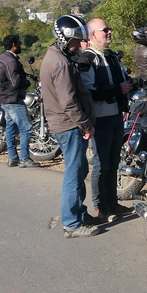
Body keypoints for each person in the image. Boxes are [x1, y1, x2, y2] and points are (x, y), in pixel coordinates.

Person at [43, 14, 100, 239]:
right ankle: (71, 223)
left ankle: (78, 213)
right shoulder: (61, 63)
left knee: (79, 170)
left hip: (65, 123)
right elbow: (68, 102)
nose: (80, 44)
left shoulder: (55, 56)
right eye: (76, 40)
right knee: (74, 175)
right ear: (64, 39)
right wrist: (85, 125)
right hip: (69, 125)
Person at [81, 19, 134, 221]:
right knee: (101, 164)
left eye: (109, 28)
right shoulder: (87, 58)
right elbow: (88, 91)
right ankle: (99, 207)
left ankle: (112, 203)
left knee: (113, 162)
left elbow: (122, 82)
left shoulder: (112, 56)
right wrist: (117, 89)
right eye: (105, 30)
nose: (109, 32)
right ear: (93, 35)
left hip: (116, 116)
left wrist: (134, 84)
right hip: (100, 118)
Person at [0, 35, 37, 168]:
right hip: (14, 99)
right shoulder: (11, 61)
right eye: (19, 43)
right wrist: (27, 82)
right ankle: (24, 158)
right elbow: (15, 82)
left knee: (10, 129)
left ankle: (12, 158)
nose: (20, 45)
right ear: (14, 45)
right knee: (27, 128)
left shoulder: (0, 59)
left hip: (4, 98)